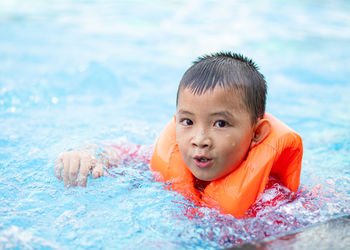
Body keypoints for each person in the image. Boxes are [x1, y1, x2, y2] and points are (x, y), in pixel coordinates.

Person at [55, 52, 302, 217]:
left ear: (256, 133)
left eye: (220, 124)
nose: (200, 139)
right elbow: (119, 152)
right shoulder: (166, 160)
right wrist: (87, 154)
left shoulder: (272, 202)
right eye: (187, 121)